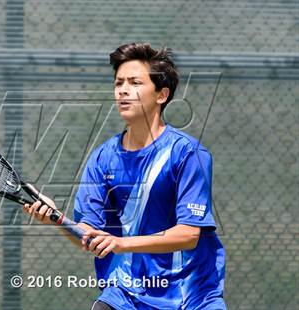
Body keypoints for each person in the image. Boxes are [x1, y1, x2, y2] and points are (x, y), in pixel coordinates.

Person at [23, 42, 226, 310]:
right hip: (125, 294)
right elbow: (90, 233)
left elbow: (188, 234)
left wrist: (121, 243)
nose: (123, 91)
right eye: (119, 83)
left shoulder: (188, 153)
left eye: (134, 82)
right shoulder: (102, 158)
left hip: (191, 296)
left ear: (161, 95)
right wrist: (57, 217)